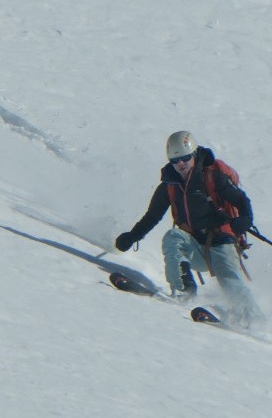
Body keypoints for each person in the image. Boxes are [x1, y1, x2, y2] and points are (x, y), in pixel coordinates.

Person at [113, 131, 263, 326]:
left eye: (185, 158)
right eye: (175, 160)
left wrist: (246, 219)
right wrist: (132, 236)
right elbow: (153, 215)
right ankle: (184, 291)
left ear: (193, 155)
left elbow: (241, 199)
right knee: (173, 238)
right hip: (194, 245)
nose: (181, 164)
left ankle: (255, 321)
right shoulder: (170, 185)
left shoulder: (211, 175)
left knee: (231, 283)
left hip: (222, 241)